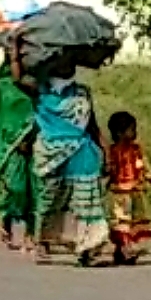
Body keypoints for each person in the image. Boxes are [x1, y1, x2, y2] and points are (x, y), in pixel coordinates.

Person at [31, 68, 110, 266]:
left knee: (87, 200)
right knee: (51, 198)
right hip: (51, 152)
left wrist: (106, 151)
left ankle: (87, 247)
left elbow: (91, 124)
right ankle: (44, 240)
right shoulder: (40, 90)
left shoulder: (82, 92)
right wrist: (15, 51)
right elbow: (17, 79)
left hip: (82, 150)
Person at [0, 38, 39, 253]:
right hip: (10, 145)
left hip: (33, 140)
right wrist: (10, 141)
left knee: (35, 190)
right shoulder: (1, 87)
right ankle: (6, 220)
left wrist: (31, 137)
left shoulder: (33, 85)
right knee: (15, 187)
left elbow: (39, 111)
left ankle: (31, 234)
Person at [105, 110, 151, 265]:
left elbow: (144, 167)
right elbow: (108, 170)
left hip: (135, 192)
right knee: (122, 221)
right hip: (119, 193)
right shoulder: (113, 152)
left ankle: (120, 252)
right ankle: (125, 249)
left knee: (132, 222)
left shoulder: (136, 150)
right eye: (132, 129)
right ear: (119, 132)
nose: (135, 133)